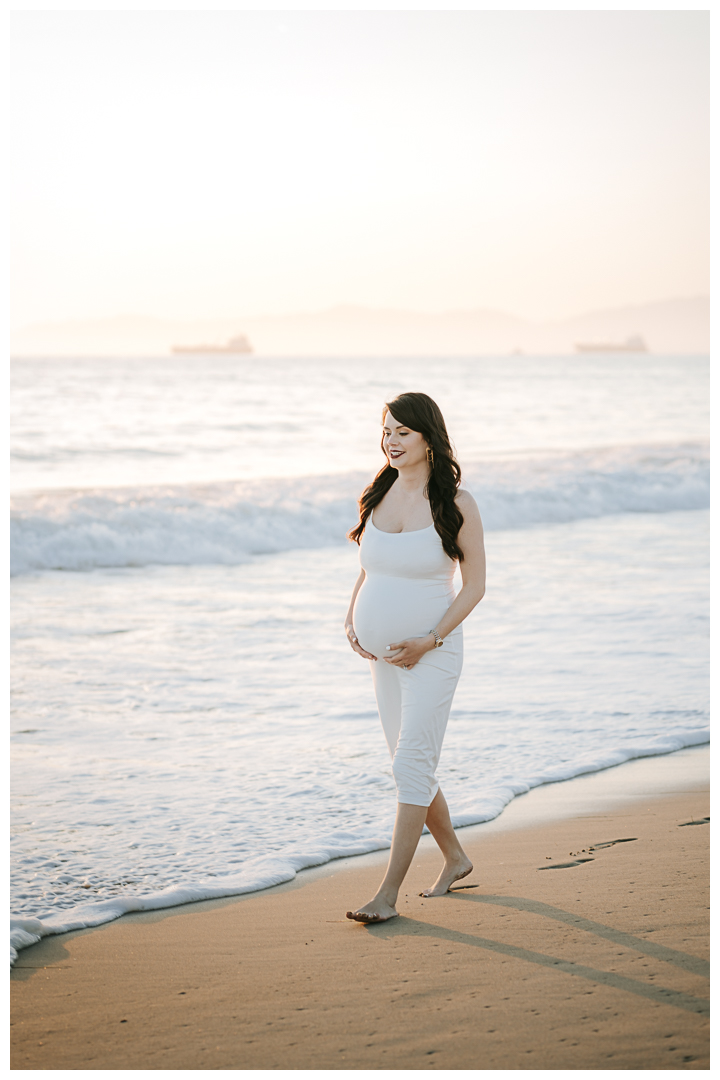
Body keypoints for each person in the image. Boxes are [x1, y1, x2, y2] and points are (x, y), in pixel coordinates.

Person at [344, 392, 486, 923]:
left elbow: (475, 587)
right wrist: (352, 617)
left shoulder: (456, 503)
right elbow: (371, 565)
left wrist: (430, 638)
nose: (391, 442)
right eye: (386, 432)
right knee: (411, 770)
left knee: (410, 766)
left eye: (403, 432)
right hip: (383, 659)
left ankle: (386, 896)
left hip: (434, 653)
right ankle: (455, 857)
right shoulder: (379, 492)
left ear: (429, 436)